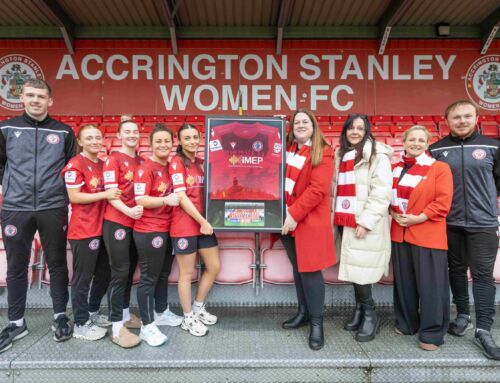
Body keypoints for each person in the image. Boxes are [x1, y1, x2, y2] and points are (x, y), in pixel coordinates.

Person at [0, 79, 76, 353]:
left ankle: (59, 316)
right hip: (15, 208)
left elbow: (71, 169)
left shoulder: (64, 132)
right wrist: (10, 189)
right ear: (22, 97)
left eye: (41, 96)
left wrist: (59, 193)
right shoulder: (6, 128)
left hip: (52, 206)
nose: (35, 100)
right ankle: (17, 322)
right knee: (16, 266)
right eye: (30, 95)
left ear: (50, 101)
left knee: (56, 263)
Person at [429, 100, 500, 360]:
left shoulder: (493, 147)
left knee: (482, 276)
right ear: (446, 120)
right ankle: (462, 316)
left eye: (467, 116)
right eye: (456, 117)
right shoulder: (435, 150)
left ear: (477, 117)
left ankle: (483, 329)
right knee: (456, 270)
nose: (462, 121)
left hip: (483, 224)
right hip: (449, 224)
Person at [390, 125, 453, 351]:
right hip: (400, 232)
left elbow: (442, 202)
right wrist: (393, 212)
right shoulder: (394, 168)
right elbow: (389, 199)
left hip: (427, 233)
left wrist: (418, 218)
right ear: (404, 142)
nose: (416, 143)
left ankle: (432, 332)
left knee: (431, 287)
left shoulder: (439, 168)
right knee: (404, 285)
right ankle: (407, 323)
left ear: (428, 144)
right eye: (411, 140)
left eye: (421, 140)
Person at [332, 113, 392, 342]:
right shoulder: (342, 155)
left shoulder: (378, 156)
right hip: (345, 221)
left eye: (360, 128)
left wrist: (366, 222)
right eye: (351, 128)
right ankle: (359, 310)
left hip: (365, 224)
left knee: (363, 271)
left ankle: (370, 315)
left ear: (367, 132)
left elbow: (381, 193)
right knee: (355, 269)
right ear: (345, 131)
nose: (355, 132)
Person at [281, 109, 335, 351]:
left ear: (314, 125)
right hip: (287, 222)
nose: (301, 125)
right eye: (297, 122)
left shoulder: (323, 151)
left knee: (311, 272)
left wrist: (293, 214)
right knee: (298, 269)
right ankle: (303, 312)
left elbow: (318, 190)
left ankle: (317, 324)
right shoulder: (290, 149)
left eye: (306, 122)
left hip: (307, 221)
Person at [61, 124, 116, 341]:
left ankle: (93, 311)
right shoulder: (75, 164)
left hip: (104, 228)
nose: (95, 141)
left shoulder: (103, 164)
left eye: (98, 137)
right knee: (83, 278)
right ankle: (81, 323)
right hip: (84, 229)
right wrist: (105, 195)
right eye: (89, 138)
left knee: (104, 273)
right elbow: (74, 197)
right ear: (81, 141)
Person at [133, 124, 182, 347]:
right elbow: (141, 199)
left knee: (163, 274)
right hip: (149, 229)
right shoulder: (146, 168)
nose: (163, 145)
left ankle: (161, 312)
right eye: (158, 141)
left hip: (168, 228)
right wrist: (165, 200)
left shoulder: (170, 166)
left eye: (167, 141)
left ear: (173, 144)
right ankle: (147, 326)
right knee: (148, 278)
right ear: (151, 144)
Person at [169, 124, 220, 337]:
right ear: (179, 141)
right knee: (187, 273)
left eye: (194, 137)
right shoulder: (176, 162)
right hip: (185, 225)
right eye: (186, 138)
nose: (191, 141)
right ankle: (187, 318)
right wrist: (202, 221)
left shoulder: (201, 163)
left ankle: (198, 307)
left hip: (204, 224)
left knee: (214, 266)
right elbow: (181, 198)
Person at [102, 117, 146, 348]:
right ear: (119, 136)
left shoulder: (141, 161)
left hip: (135, 223)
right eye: (127, 132)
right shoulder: (113, 159)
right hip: (117, 222)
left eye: (135, 131)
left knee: (129, 272)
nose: (132, 135)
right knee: (119, 273)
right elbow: (111, 194)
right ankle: (116, 327)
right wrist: (129, 211)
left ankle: (126, 315)